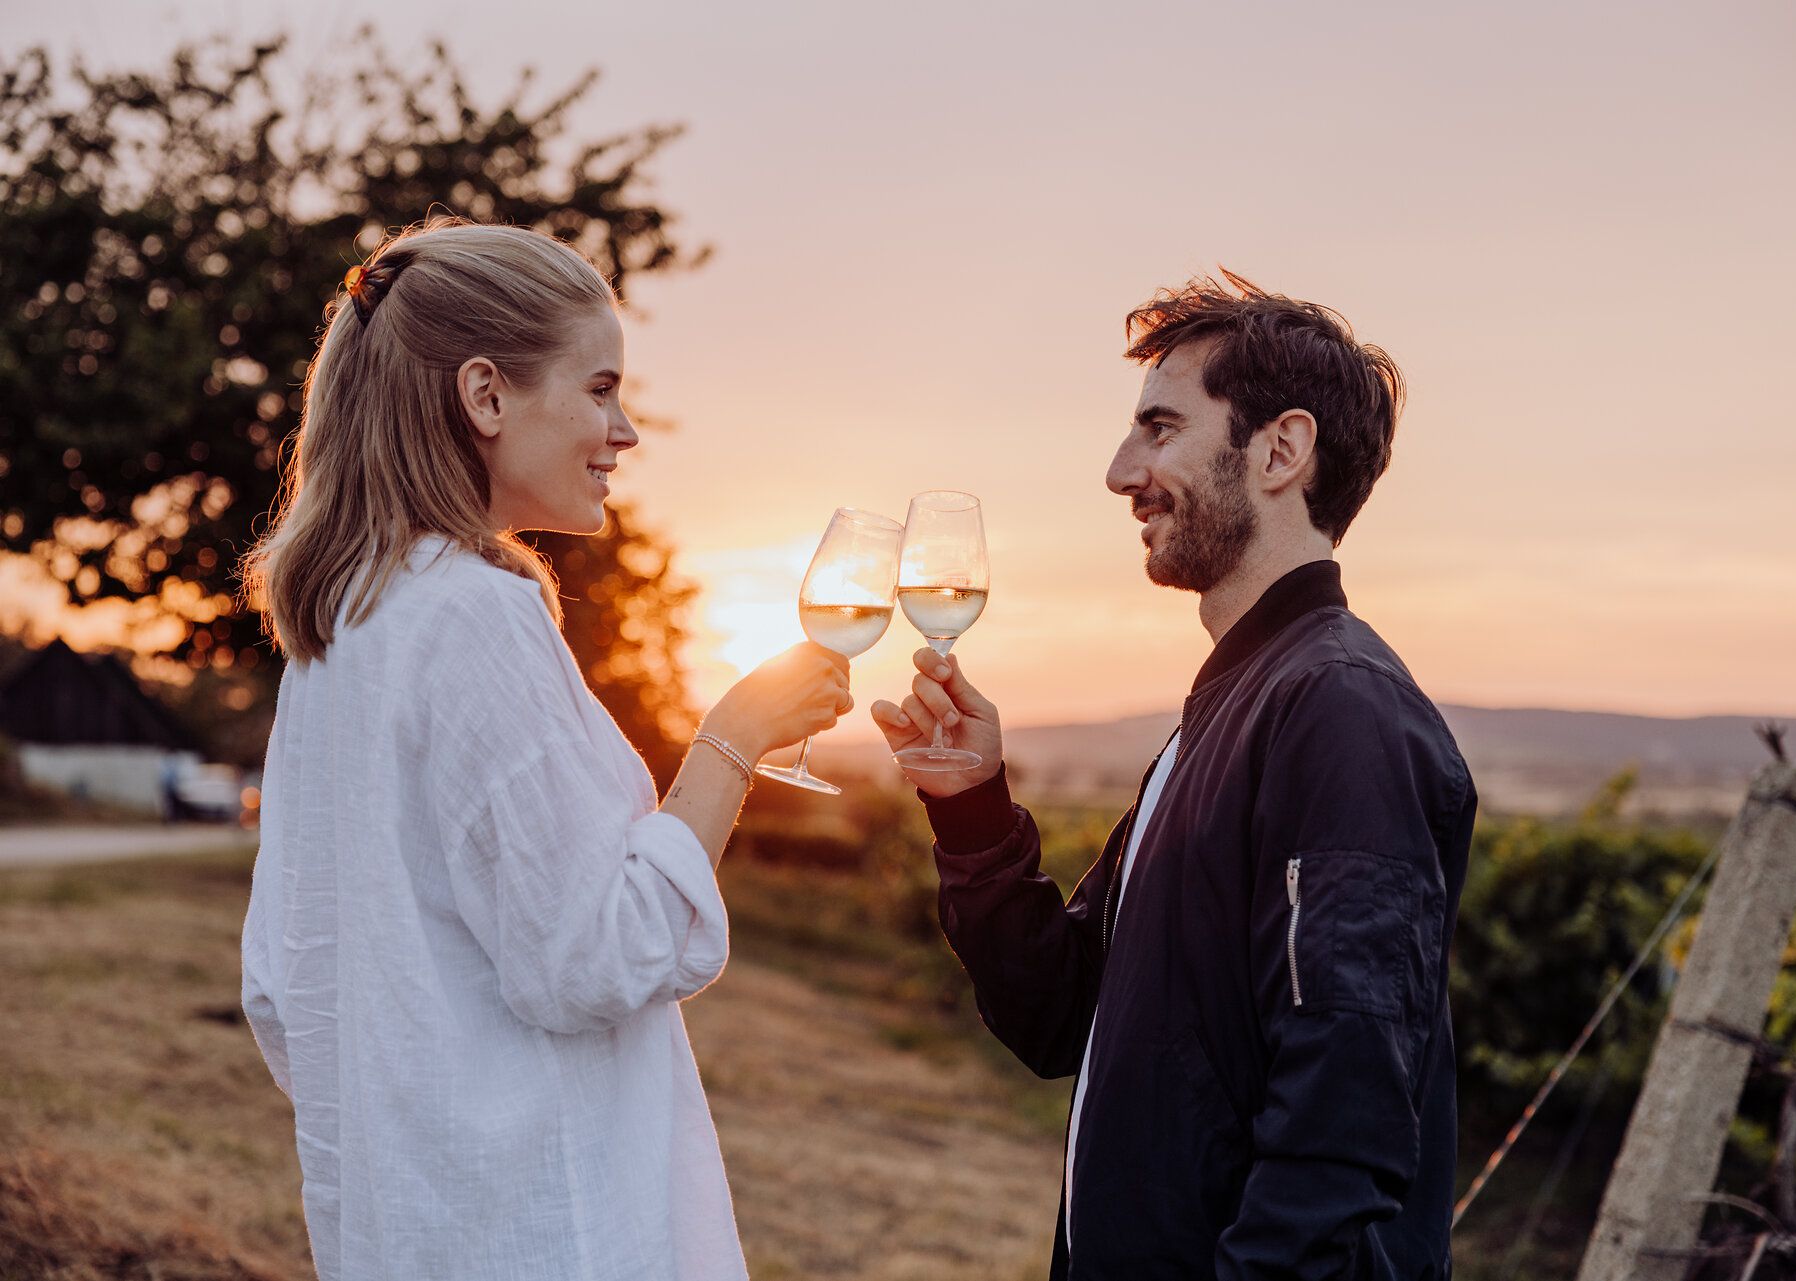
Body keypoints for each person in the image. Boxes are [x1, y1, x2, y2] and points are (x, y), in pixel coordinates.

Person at [238, 216, 850, 1280]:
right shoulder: (472, 617)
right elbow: (599, 951)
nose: (625, 431)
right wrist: (734, 738)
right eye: (601, 388)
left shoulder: (344, 626)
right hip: (542, 1228)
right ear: (485, 395)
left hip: (404, 1229)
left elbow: (284, 989)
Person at [873, 273, 1476, 1279]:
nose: (1121, 471)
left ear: (1280, 451)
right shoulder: (1231, 709)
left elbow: (1343, 1116)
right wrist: (972, 811)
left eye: (1159, 428)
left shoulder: (1340, 710)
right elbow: (1061, 1016)